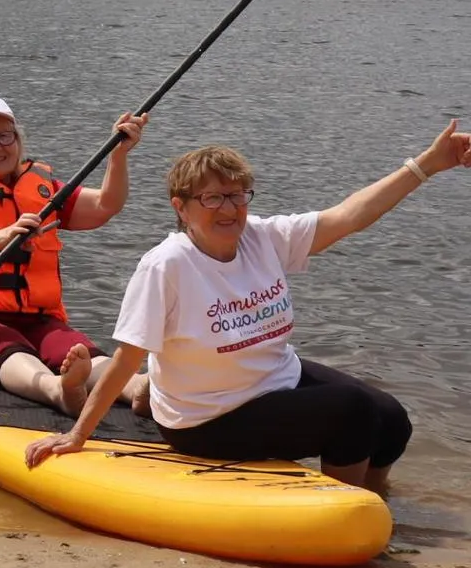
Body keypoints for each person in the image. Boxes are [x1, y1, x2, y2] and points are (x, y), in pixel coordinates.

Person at [25, 123, 471, 492]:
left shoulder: (262, 236)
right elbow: (128, 357)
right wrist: (78, 434)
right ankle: (344, 509)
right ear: (181, 208)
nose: (229, 208)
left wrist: (428, 164)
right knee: (352, 412)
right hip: (205, 417)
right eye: (212, 198)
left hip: (275, 380)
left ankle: (371, 504)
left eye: (238, 195)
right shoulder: (166, 266)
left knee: (392, 419)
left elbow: (350, 215)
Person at [0, 94, 151, 416]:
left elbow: (103, 207)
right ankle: (56, 390)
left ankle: (137, 388)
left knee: (77, 351)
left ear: (18, 140)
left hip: (35, 318)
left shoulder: (43, 189)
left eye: (4, 136)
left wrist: (119, 155)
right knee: (4, 348)